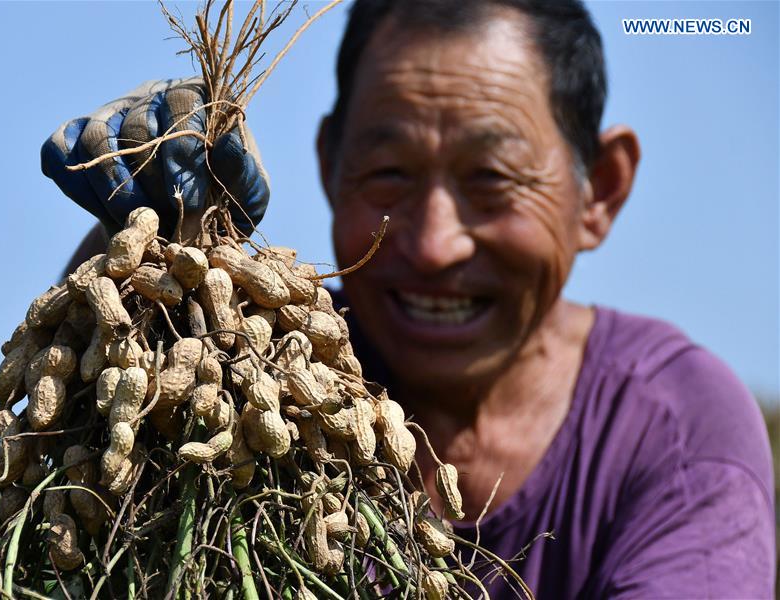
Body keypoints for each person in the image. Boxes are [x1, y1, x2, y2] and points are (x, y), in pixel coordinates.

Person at [42, 0, 776, 597]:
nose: (432, 245)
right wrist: (129, 248)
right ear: (330, 164)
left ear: (601, 189)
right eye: (388, 171)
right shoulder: (250, 368)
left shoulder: (674, 429)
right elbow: (79, 502)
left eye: (491, 178)